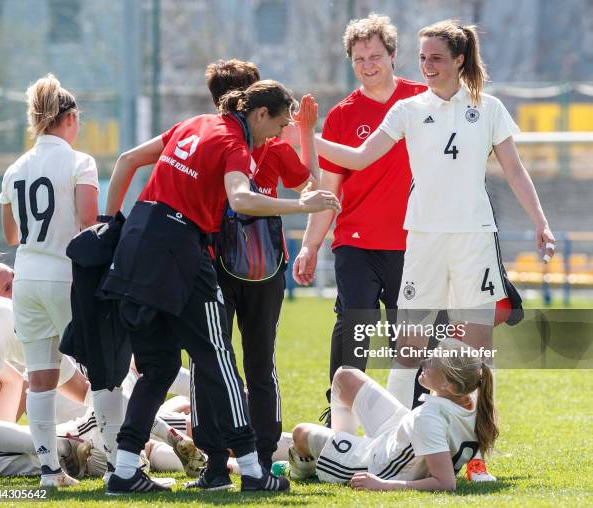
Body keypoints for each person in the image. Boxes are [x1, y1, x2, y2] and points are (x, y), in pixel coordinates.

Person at [305, 19, 555, 480]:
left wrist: (541, 223)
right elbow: (358, 158)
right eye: (423, 58)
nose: (428, 66)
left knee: (475, 354)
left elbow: (516, 172)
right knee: (409, 349)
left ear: (460, 60)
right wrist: (301, 135)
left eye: (436, 58)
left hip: (474, 240)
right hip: (420, 240)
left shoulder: (490, 108)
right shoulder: (406, 110)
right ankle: (395, 443)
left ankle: (476, 458)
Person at [103, 79, 340, 494]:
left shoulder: (193, 122)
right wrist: (300, 206)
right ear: (259, 113)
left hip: (138, 240)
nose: (279, 133)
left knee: (157, 368)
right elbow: (241, 200)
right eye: (279, 123)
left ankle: (124, 470)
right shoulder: (236, 145)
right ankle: (251, 469)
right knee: (220, 359)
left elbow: (127, 159)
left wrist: (107, 226)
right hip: (182, 250)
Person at [291, 14, 426, 422]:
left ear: (392, 55)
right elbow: (329, 191)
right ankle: (339, 415)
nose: (368, 64)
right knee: (356, 322)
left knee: (414, 336)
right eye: (359, 58)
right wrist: (310, 246)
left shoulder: (423, 100)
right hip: (356, 242)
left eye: (375, 56)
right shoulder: (342, 116)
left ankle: (421, 418)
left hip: (414, 242)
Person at [204, 59, 318, 470]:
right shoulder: (234, 143)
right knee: (256, 364)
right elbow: (313, 189)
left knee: (213, 359)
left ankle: (219, 459)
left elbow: (311, 188)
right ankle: (262, 457)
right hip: (259, 269)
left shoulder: (217, 139)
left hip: (220, 265)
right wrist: (306, 133)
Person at [0, 74, 99, 487]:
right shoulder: (80, 161)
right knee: (104, 371)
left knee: (40, 376)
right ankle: (123, 462)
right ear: (70, 117)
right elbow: (90, 223)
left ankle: (49, 473)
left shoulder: (15, 168)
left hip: (26, 279)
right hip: (64, 276)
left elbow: (10, 236)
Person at [289, 339, 497, 491]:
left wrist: (382, 485)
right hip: (398, 436)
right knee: (345, 376)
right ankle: (336, 446)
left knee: (300, 433)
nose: (426, 361)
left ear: (448, 385)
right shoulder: (471, 400)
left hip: (378, 463)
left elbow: (445, 483)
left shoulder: (429, 418)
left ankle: (304, 469)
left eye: (434, 362)